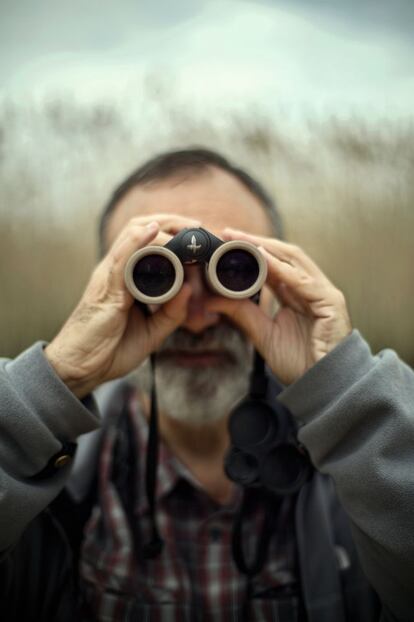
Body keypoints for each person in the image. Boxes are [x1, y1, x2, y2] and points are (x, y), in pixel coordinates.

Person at [0, 148, 413, 622]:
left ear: (275, 278)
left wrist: (348, 390)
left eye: (232, 270)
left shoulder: (352, 458)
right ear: (107, 288)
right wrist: (49, 387)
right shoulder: (49, 473)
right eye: (153, 274)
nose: (194, 318)